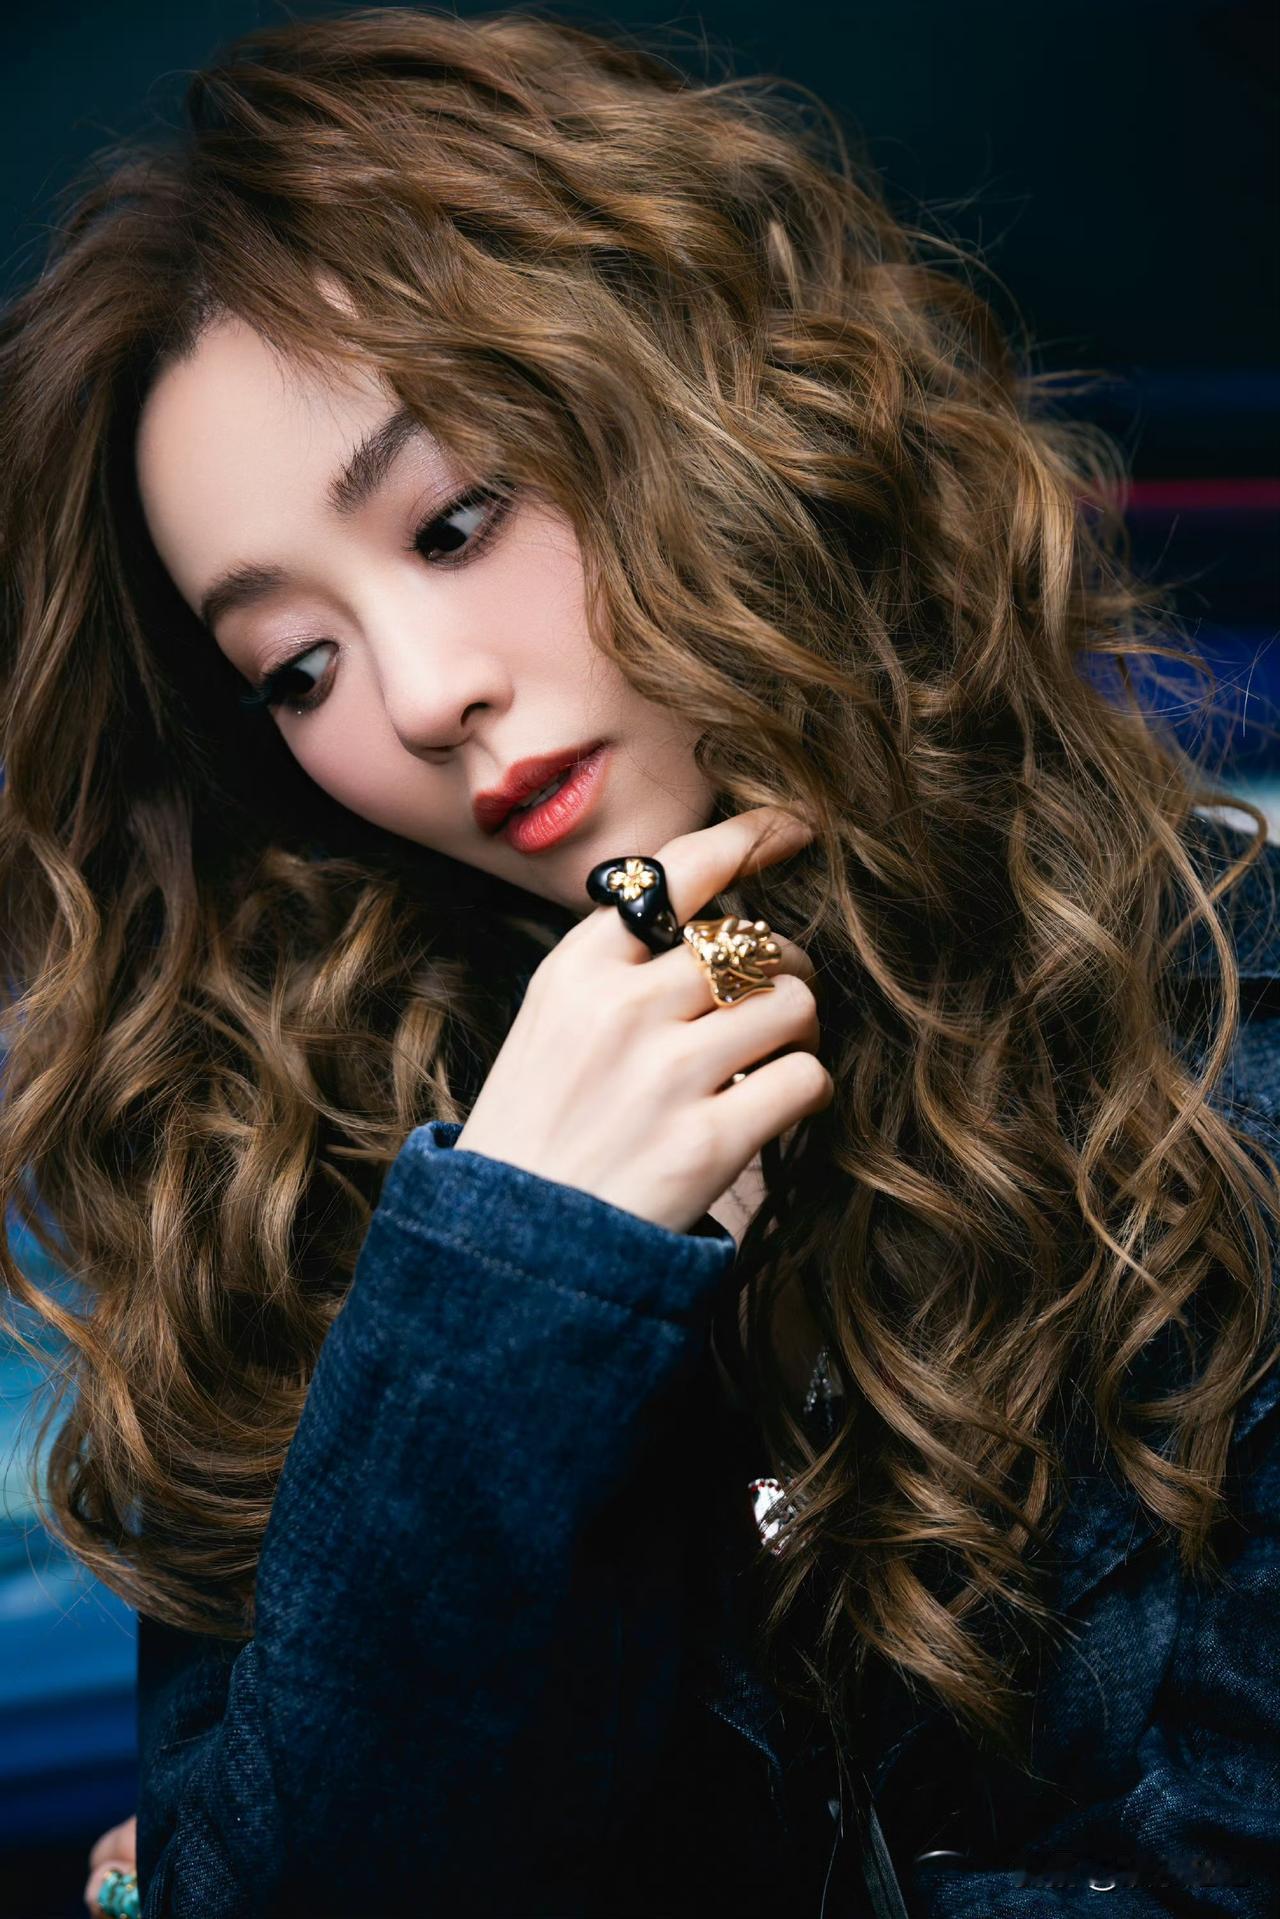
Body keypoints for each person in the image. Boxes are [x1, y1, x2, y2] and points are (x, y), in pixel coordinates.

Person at [0, 8, 1275, 1916]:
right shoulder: (293, 1172)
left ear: (698, 412)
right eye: (297, 666)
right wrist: (514, 1274)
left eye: (456, 520)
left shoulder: (1230, 1037)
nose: (421, 696)